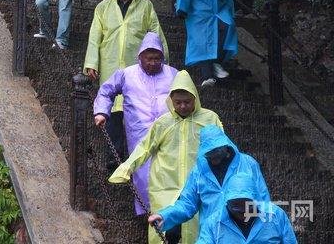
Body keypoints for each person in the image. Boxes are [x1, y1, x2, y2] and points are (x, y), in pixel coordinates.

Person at [110, 71, 222, 244]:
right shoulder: (163, 122)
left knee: (196, 229)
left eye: (187, 102)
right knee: (160, 227)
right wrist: (126, 168)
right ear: (171, 101)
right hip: (165, 184)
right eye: (178, 102)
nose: (183, 106)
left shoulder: (209, 118)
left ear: (195, 99)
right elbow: (144, 148)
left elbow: (223, 148)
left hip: (198, 184)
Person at [84, 0, 168, 169]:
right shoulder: (103, 7)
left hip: (137, 68)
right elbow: (95, 37)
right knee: (112, 114)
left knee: (136, 113)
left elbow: (155, 34)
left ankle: (137, 160)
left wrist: (162, 63)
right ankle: (114, 161)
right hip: (110, 64)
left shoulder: (145, 6)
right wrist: (91, 63)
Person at [94, 32, 178, 213]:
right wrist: (102, 112)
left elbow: (187, 95)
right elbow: (106, 91)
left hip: (169, 132)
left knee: (169, 170)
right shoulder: (127, 74)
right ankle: (149, 212)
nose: (153, 62)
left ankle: (169, 212)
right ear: (140, 56)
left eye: (157, 58)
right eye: (149, 58)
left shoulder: (173, 74)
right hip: (139, 132)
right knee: (143, 172)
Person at [148, 126, 270, 241]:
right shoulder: (199, 171)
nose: (213, 157)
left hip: (244, 235)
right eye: (209, 153)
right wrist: (165, 216)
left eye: (216, 152)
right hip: (212, 236)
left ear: (225, 146)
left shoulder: (248, 164)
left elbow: (263, 200)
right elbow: (187, 204)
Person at [196, 172, 297, 243]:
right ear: (226, 202)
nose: (243, 211)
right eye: (236, 205)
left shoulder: (275, 216)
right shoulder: (214, 223)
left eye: (248, 205)